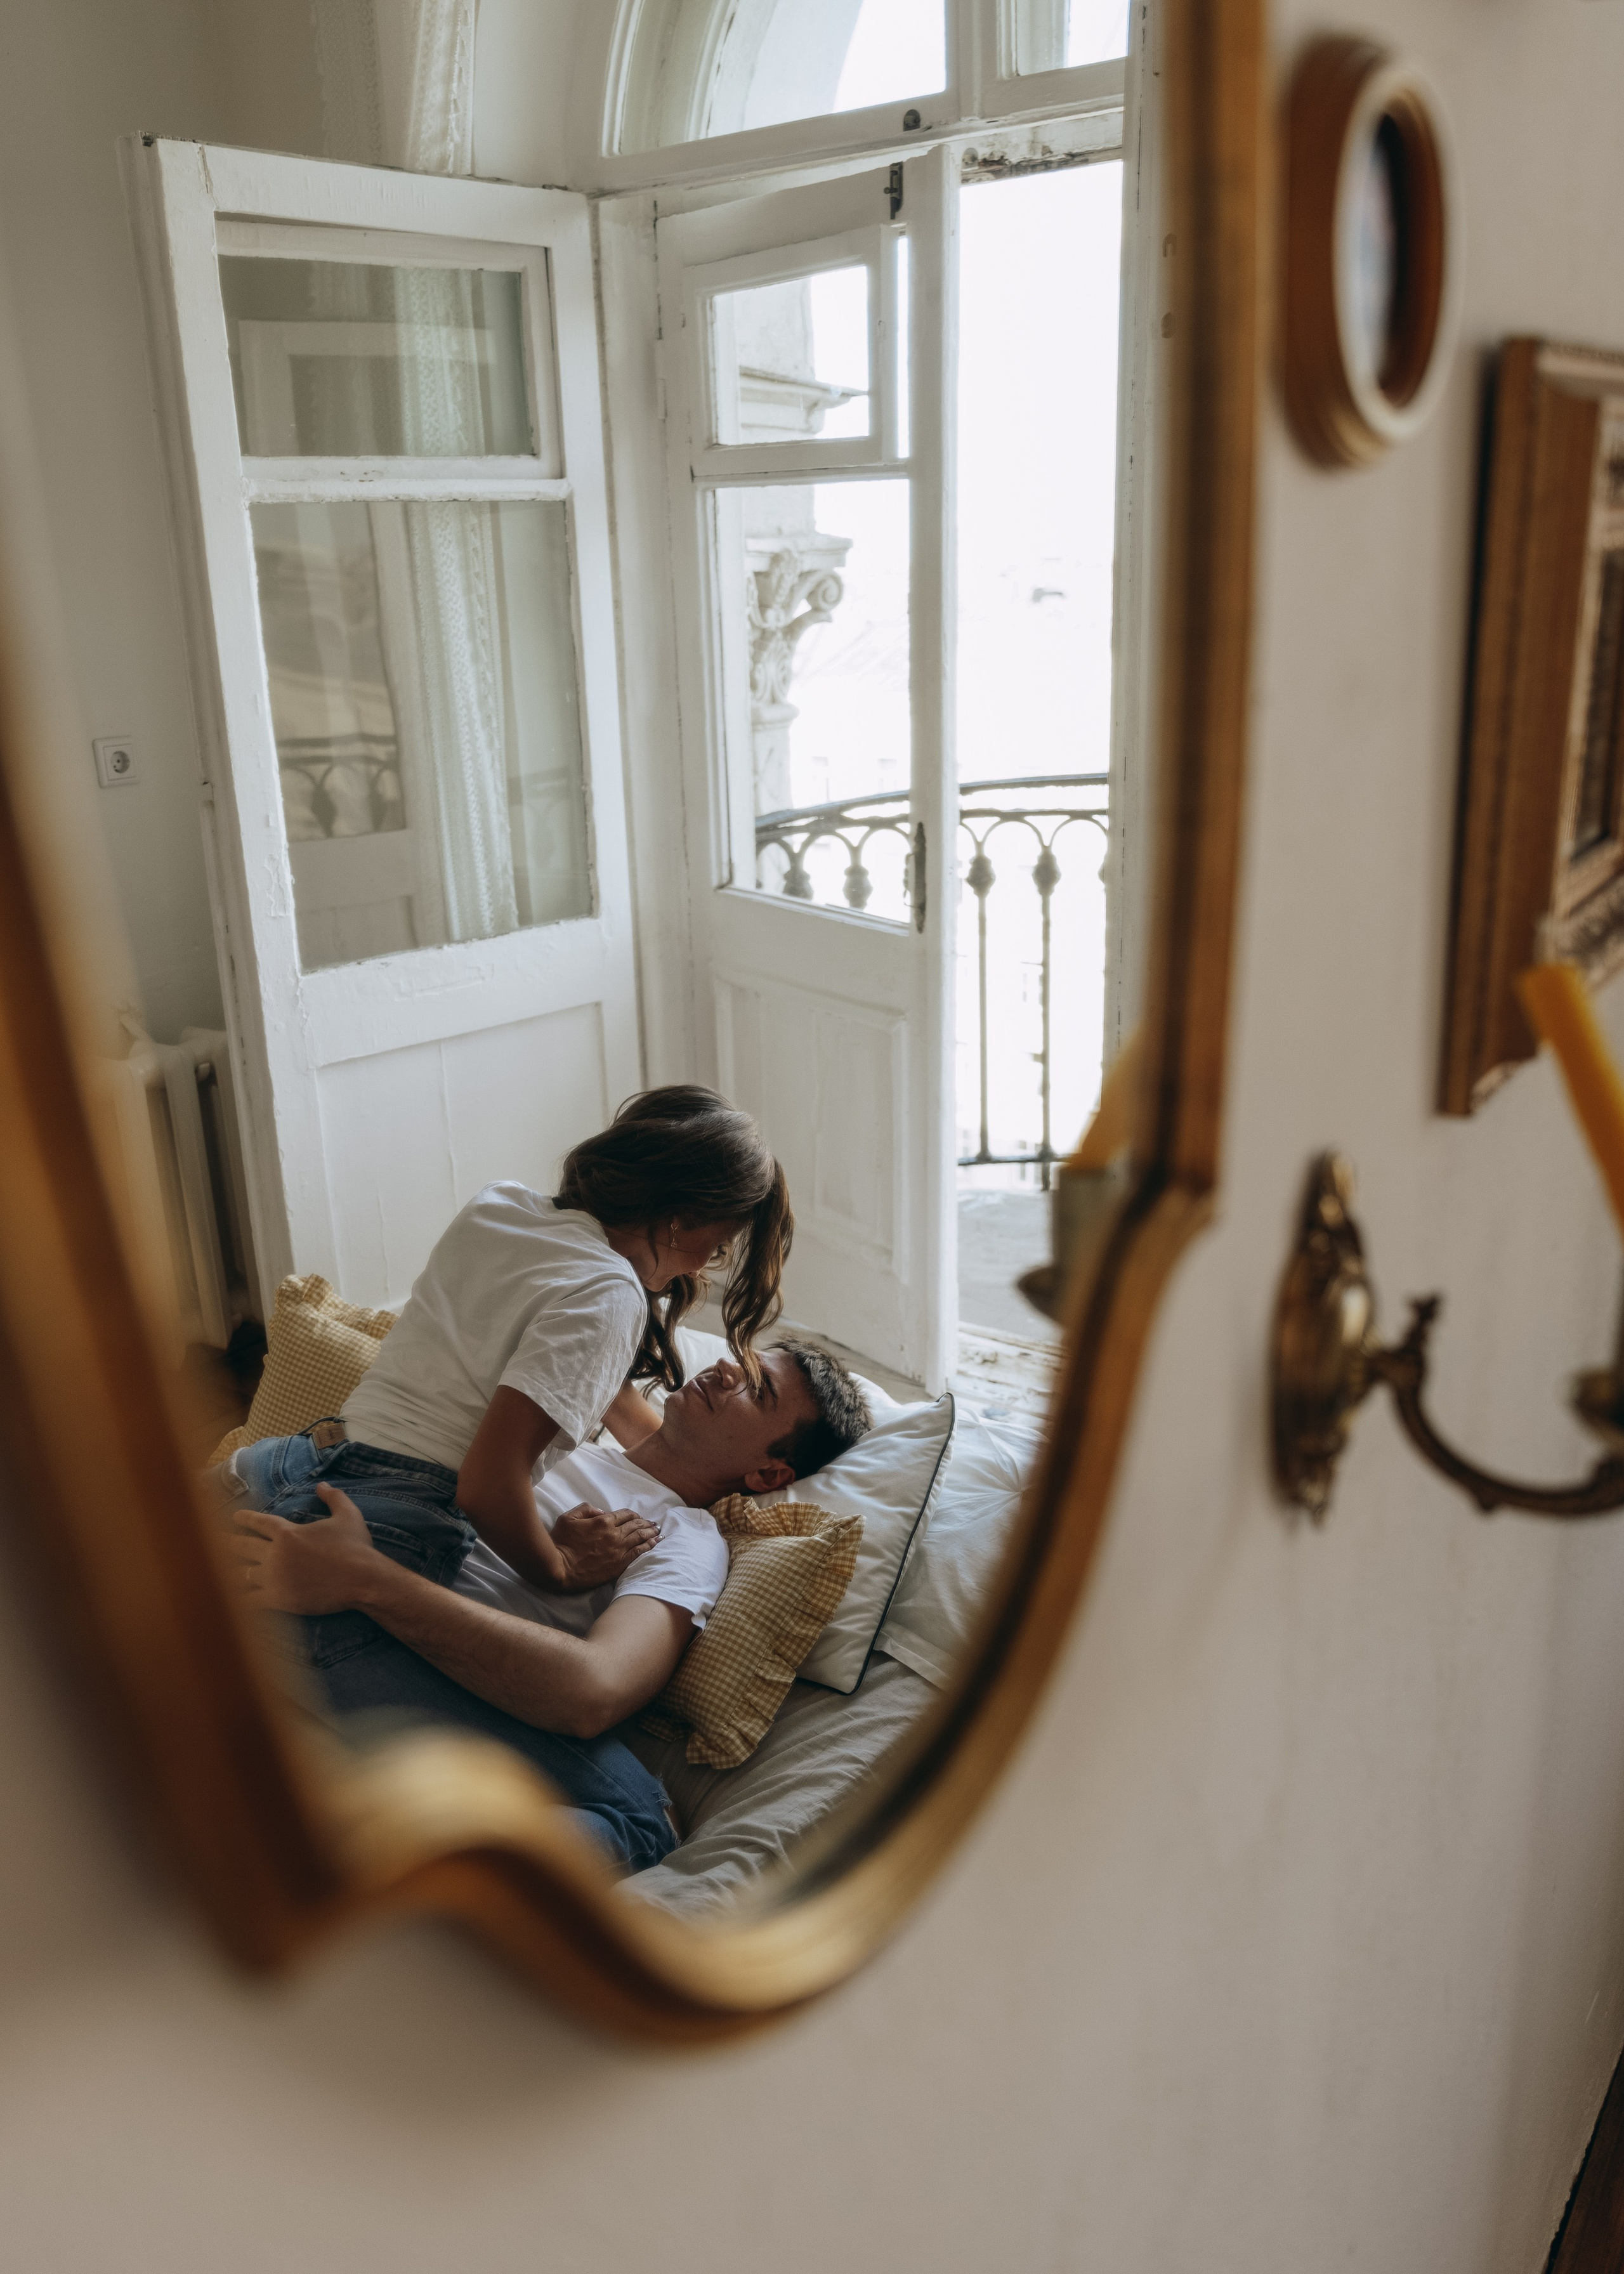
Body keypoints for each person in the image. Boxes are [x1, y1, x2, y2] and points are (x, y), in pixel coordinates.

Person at [228, 1340, 870, 1872]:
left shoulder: (683, 1537)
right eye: (740, 1357)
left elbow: (598, 1689)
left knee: (643, 1819)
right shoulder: (568, 1430)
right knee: (643, 1825)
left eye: (758, 1389)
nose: (728, 1369)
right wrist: (365, 1579)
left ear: (768, 1476)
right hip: (330, 1565)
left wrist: (366, 1579)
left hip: (336, 1591)